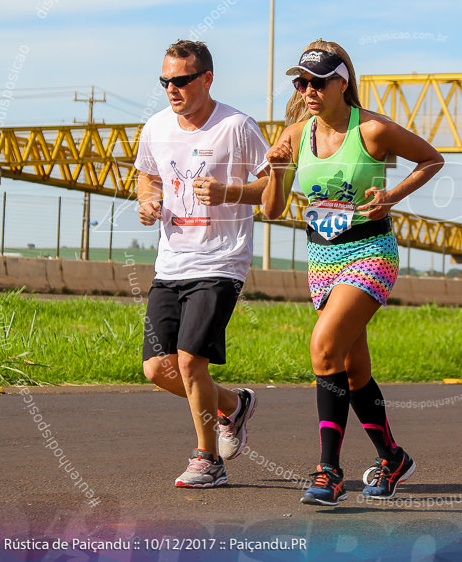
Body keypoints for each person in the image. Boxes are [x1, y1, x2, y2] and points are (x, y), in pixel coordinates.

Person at [262, 40, 444, 506]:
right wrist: (279, 168)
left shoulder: (374, 131)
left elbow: (431, 158)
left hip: (370, 252)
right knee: (351, 367)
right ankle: (393, 457)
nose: (307, 91)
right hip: (322, 258)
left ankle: (329, 472)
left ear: (342, 83)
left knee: (323, 349)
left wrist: (393, 194)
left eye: (317, 82)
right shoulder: (295, 134)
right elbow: (272, 208)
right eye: (301, 82)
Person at [135, 39, 270, 488]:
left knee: (191, 361)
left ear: (206, 78)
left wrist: (230, 192)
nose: (171, 89)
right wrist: (149, 199)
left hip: (221, 260)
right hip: (171, 262)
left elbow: (273, 191)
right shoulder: (155, 127)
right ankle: (233, 405)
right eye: (165, 81)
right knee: (158, 368)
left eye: (181, 80)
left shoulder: (236, 127)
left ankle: (208, 460)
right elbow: (148, 174)